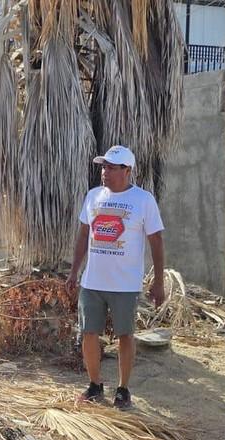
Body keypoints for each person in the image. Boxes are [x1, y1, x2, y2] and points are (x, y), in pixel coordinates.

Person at [65, 145, 166, 408]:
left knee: (125, 335)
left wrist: (158, 282)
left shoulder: (143, 200)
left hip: (125, 284)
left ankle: (122, 389)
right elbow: (84, 235)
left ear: (127, 170)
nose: (104, 172)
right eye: (103, 166)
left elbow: (156, 241)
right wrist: (75, 271)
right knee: (89, 333)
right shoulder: (93, 196)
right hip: (92, 281)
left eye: (111, 167)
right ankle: (95, 384)